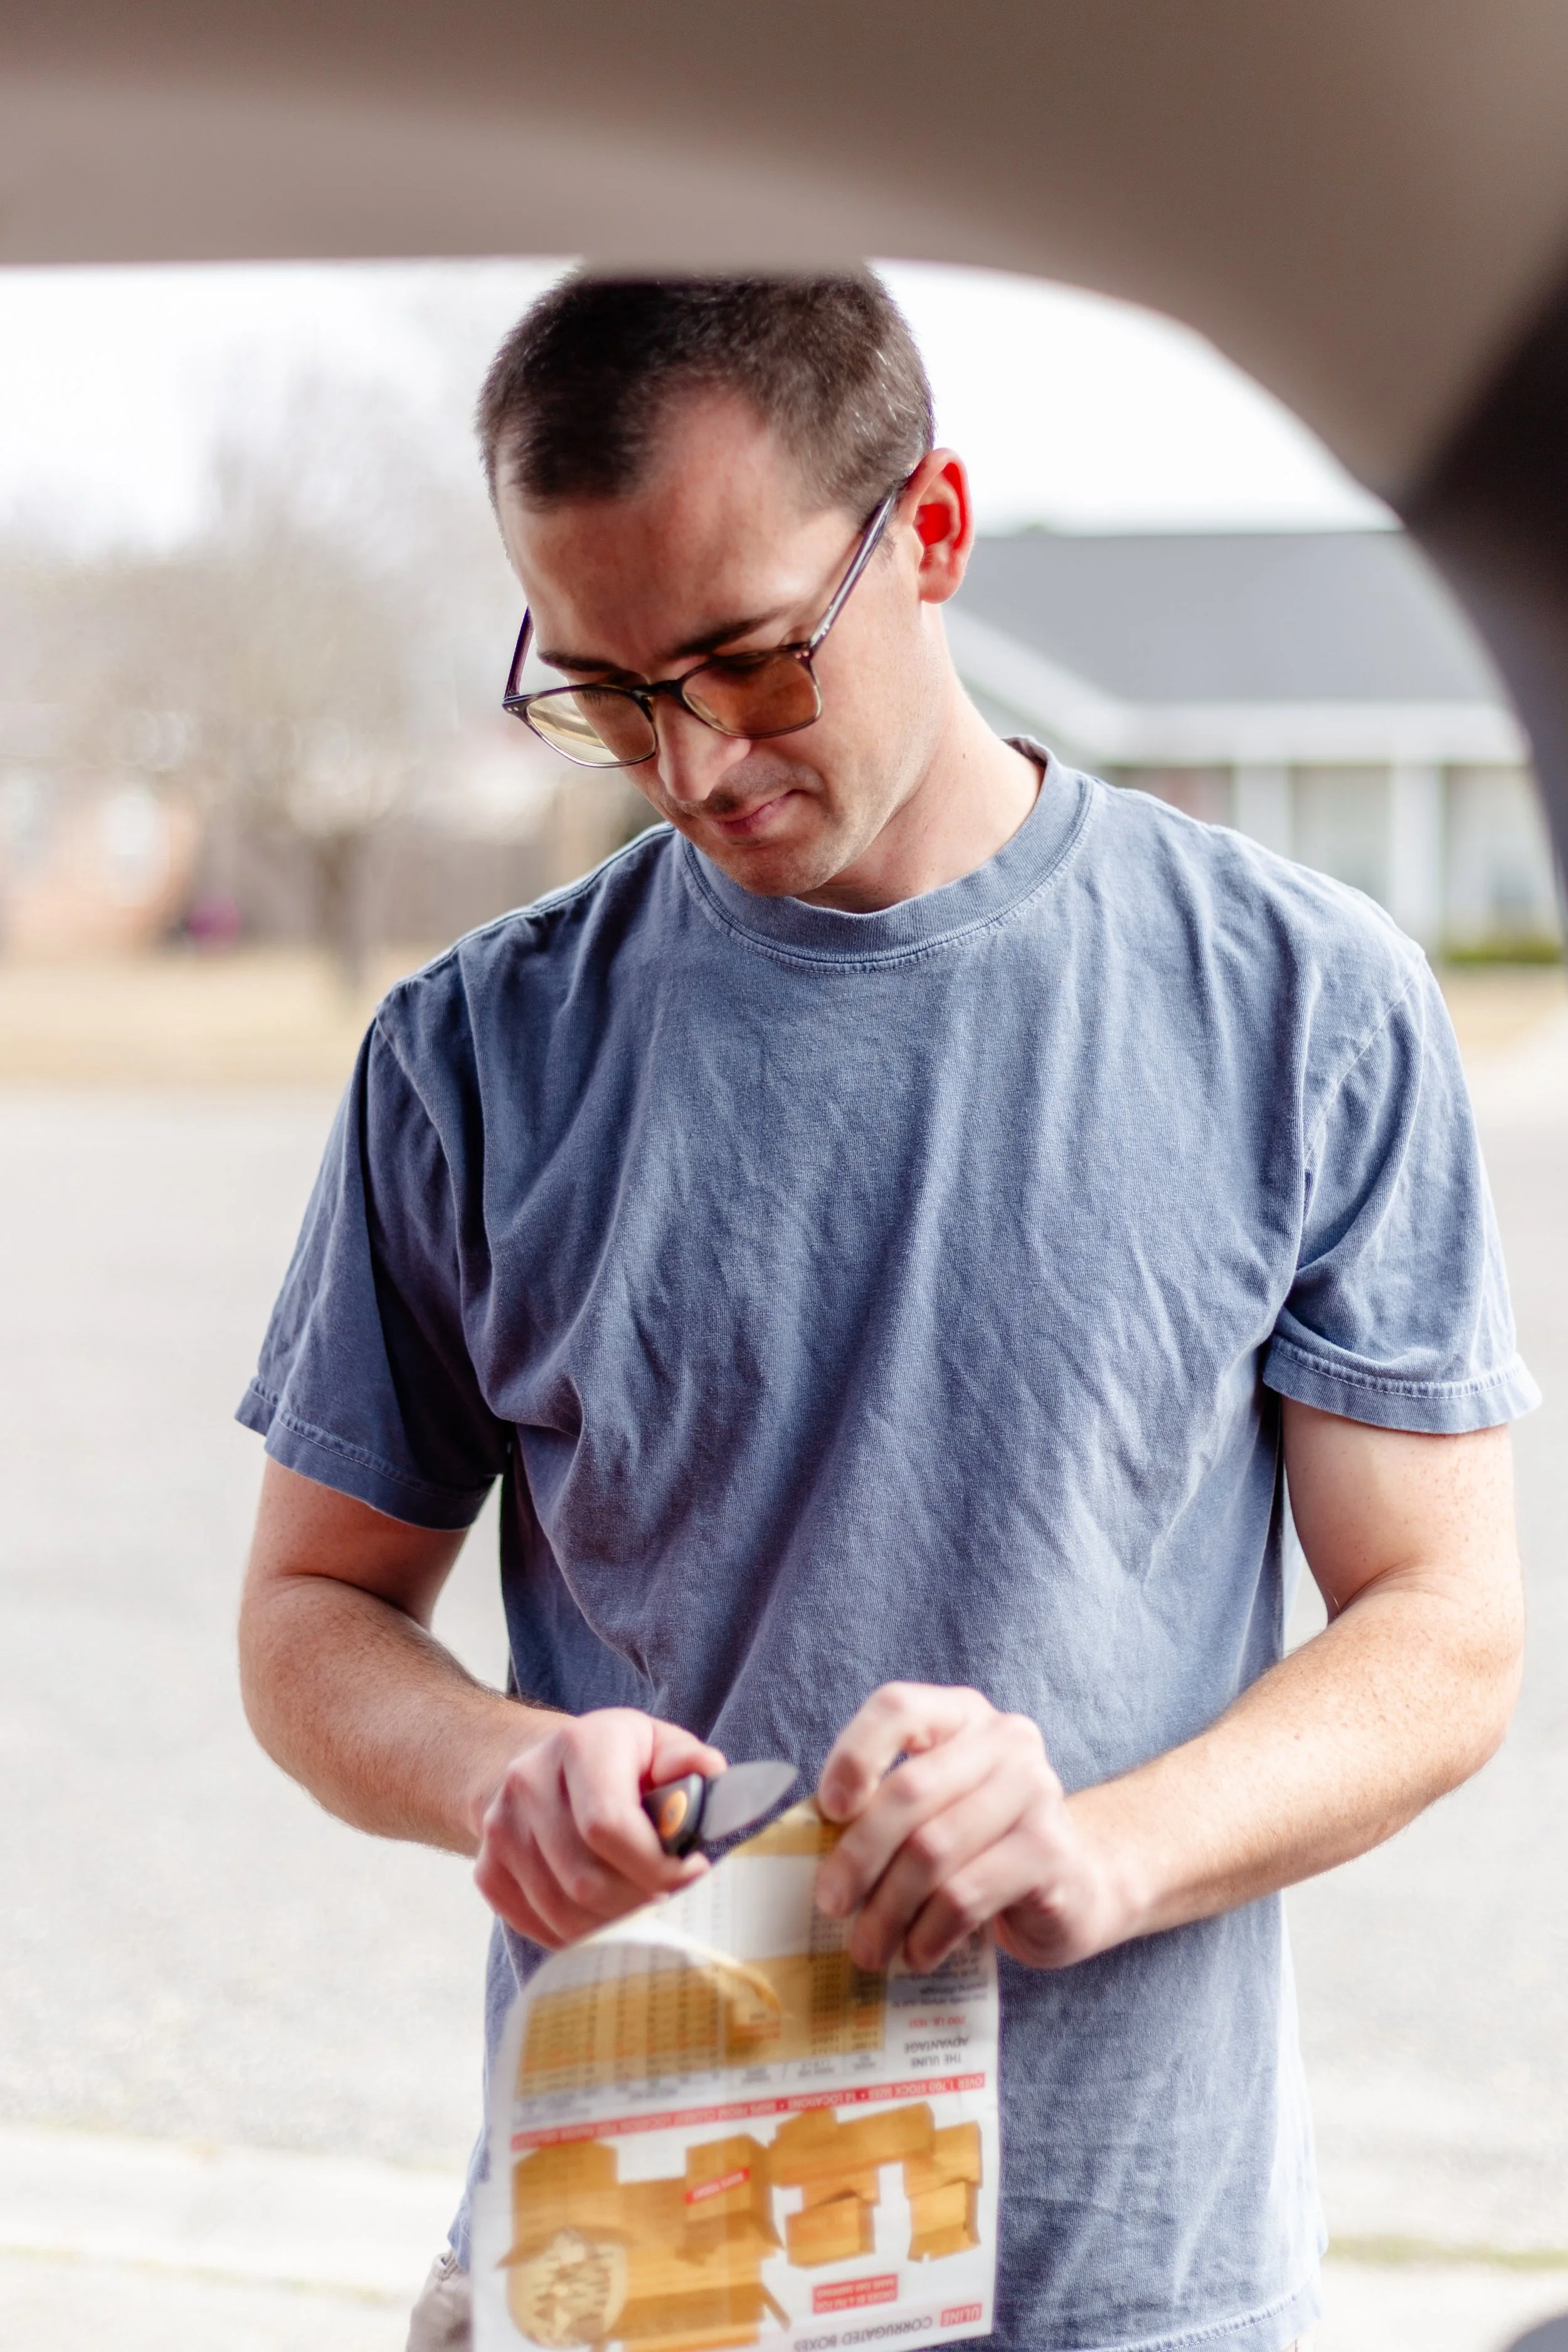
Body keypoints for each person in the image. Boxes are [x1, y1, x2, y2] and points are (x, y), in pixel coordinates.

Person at [236, 272, 1534, 2352]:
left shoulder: (1307, 1005)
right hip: (633, 2269)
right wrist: (500, 1768)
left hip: (1136, 2290)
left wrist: (1098, 1851)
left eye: (745, 663)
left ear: (925, 532)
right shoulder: (466, 1058)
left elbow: (1446, 1634)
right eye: (603, 689)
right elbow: (308, 1615)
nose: (685, 761)